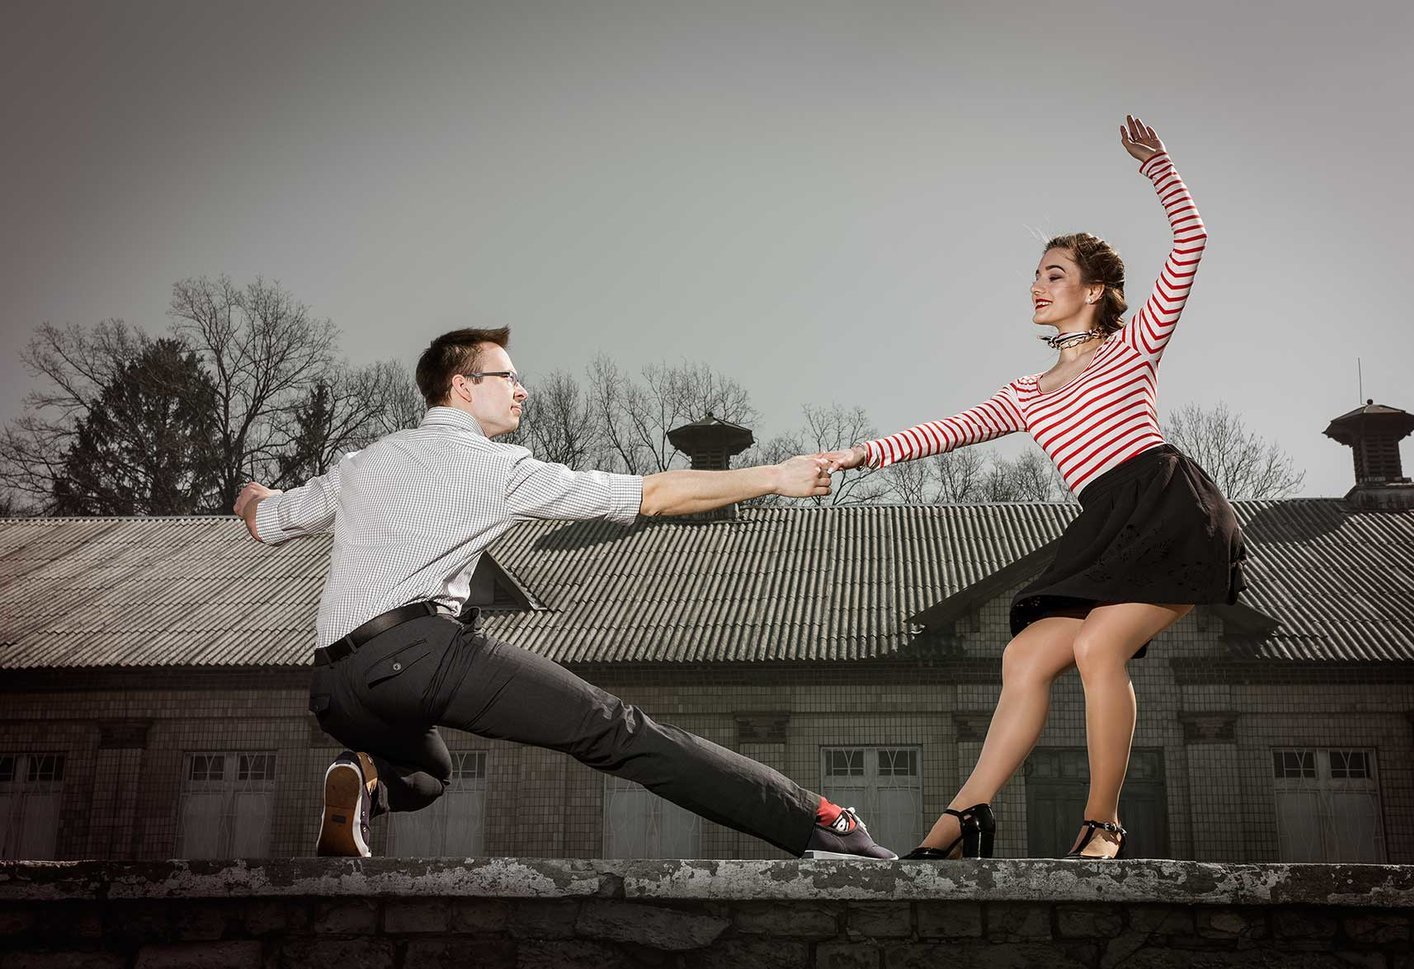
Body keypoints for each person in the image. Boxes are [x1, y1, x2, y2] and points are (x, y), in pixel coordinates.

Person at [234, 326, 895, 860]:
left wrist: (251, 494)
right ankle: (818, 821)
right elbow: (655, 494)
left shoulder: (364, 462)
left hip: (333, 685)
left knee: (429, 772)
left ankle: (364, 778)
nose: (523, 389)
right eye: (508, 377)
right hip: (421, 651)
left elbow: (265, 521)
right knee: (617, 729)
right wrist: (776, 475)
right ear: (462, 386)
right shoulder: (495, 467)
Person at [821, 116, 1245, 860]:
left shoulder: (1134, 342)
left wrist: (1159, 166)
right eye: (1035, 274)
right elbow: (944, 432)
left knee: (1098, 647)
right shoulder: (1027, 391)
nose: (1038, 286)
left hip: (1169, 510)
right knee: (1022, 658)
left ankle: (1103, 824)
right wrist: (859, 453)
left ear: (1098, 289)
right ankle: (963, 816)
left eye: (1054, 273)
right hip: (1106, 526)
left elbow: (1193, 242)